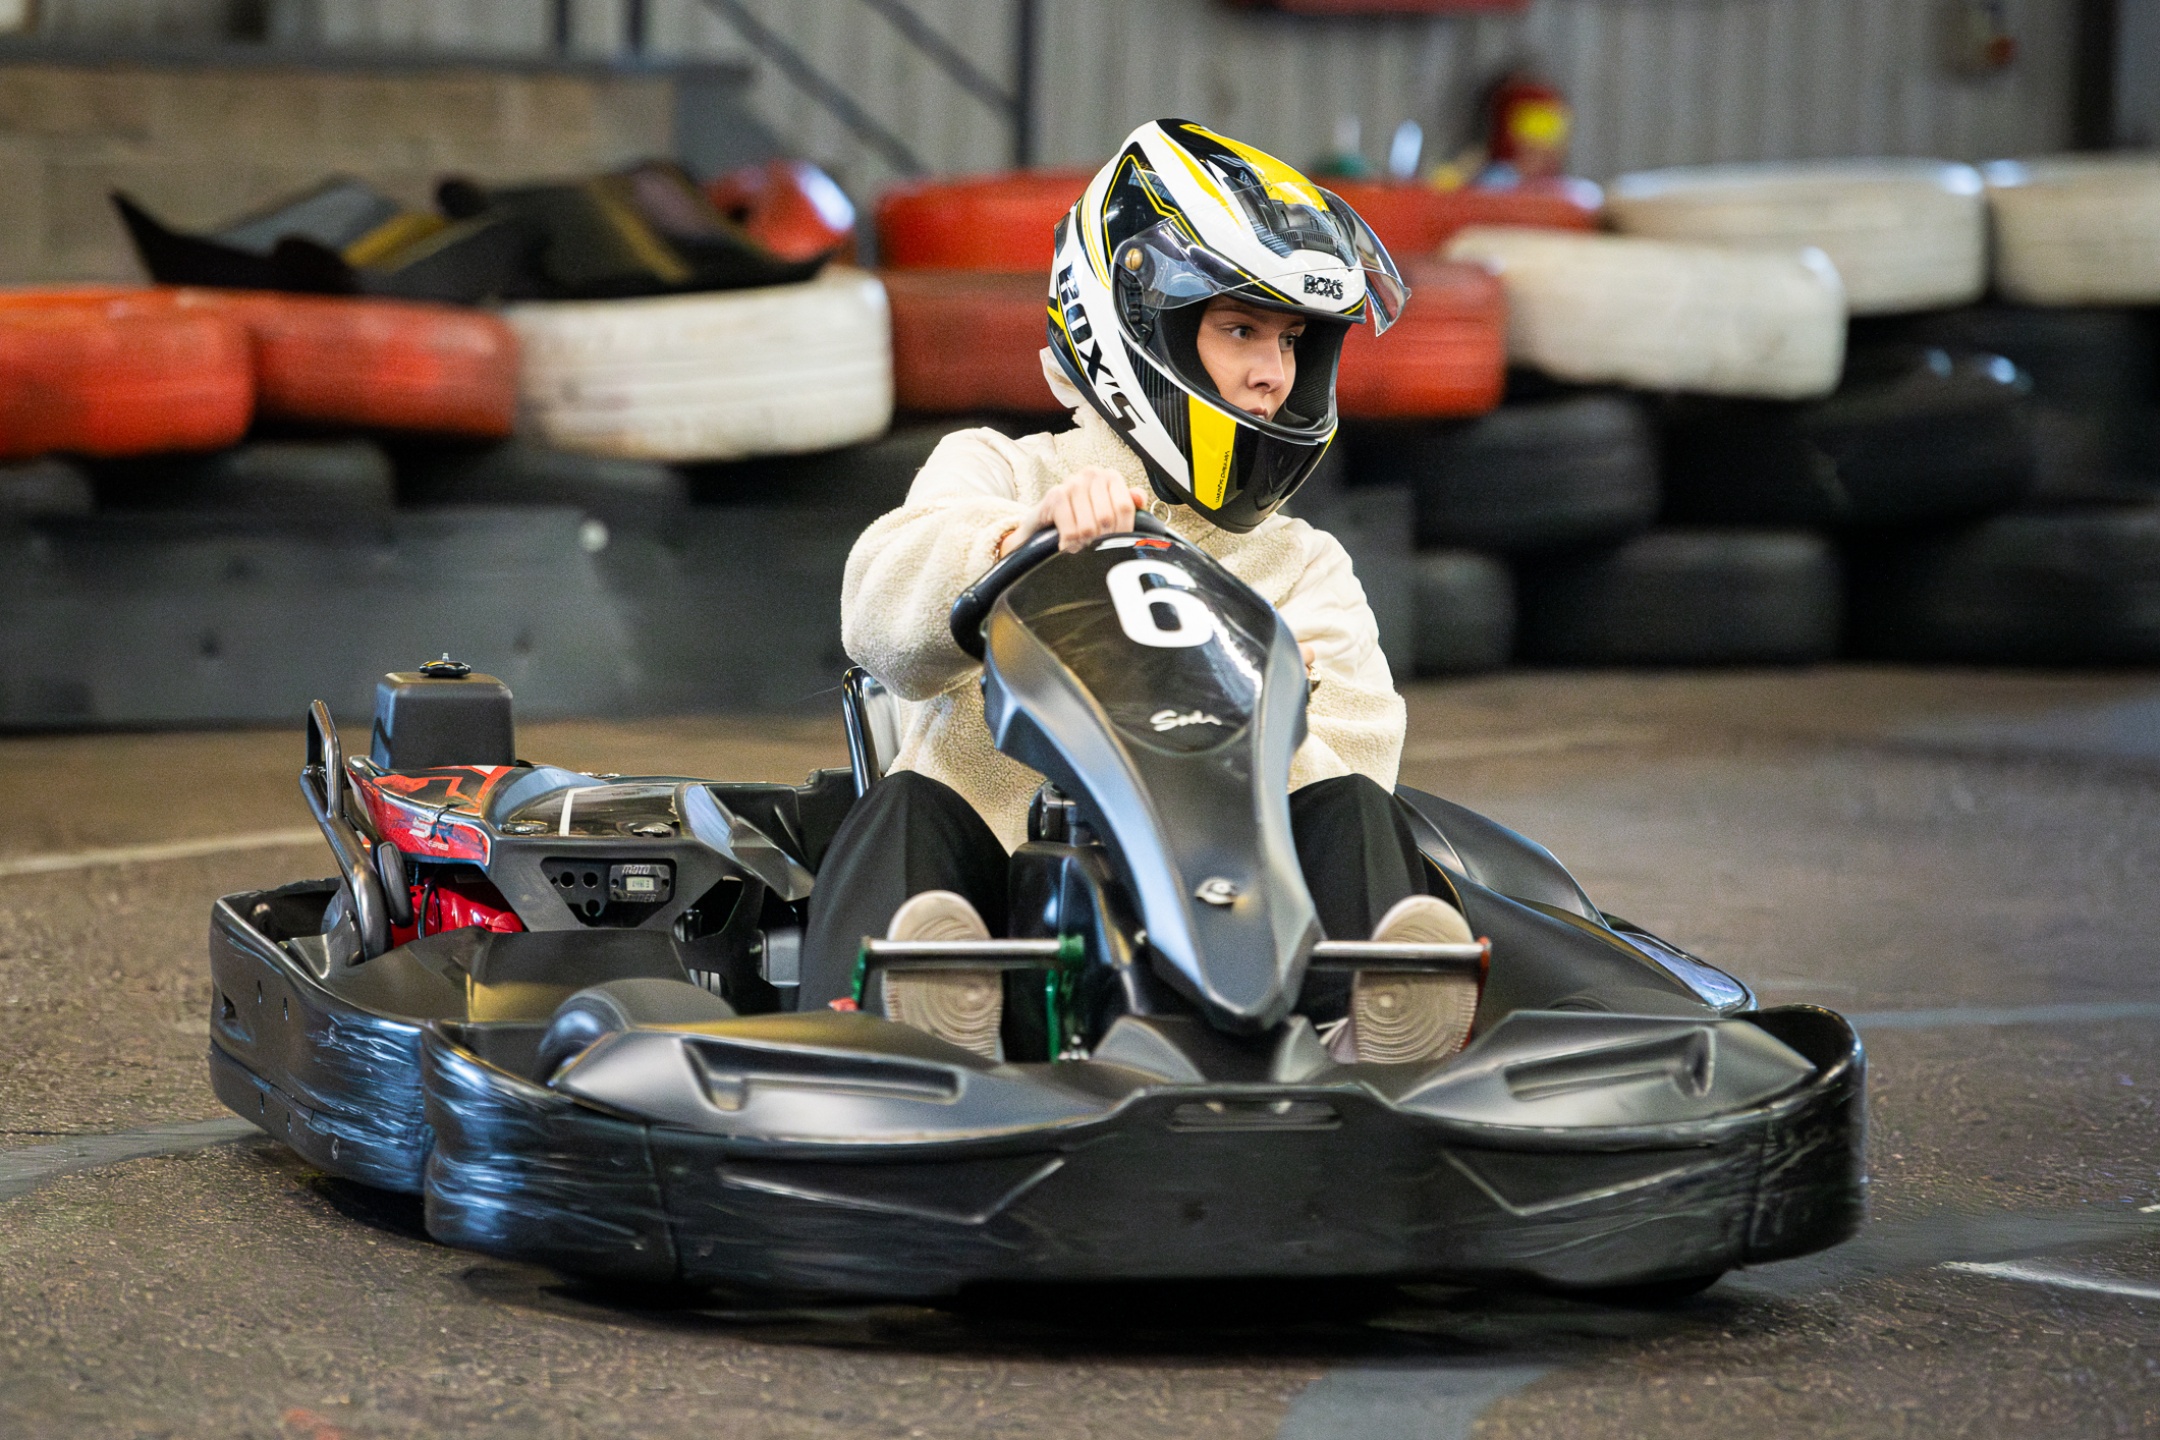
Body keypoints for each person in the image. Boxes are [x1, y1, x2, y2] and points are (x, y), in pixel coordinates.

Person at [800, 119, 1471, 1050]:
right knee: (906, 810)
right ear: (1142, 327)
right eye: (1240, 330)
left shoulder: (1303, 563)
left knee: (1360, 812)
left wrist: (1248, 693)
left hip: (1232, 918)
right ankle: (914, 1035)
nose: (1272, 376)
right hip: (1008, 918)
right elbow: (878, 623)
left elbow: (1356, 759)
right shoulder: (1000, 474)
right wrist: (1016, 544)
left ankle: (1369, 1037)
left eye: (1292, 342)